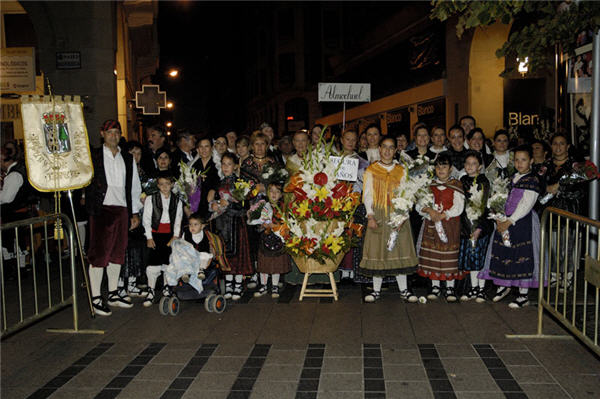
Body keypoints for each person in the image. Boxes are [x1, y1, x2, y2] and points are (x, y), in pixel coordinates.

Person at [85, 120, 142, 316]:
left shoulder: (127, 158)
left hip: (122, 209)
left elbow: (134, 187)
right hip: (101, 209)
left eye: (117, 132)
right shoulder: (93, 155)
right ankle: (95, 298)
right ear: (102, 134)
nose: (114, 136)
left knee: (118, 253)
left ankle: (112, 293)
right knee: (99, 253)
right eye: (110, 132)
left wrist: (134, 212)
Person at [479, 145, 541, 308]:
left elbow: (526, 204)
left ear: (531, 161)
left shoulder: (532, 180)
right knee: (503, 251)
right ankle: (503, 285)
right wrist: (499, 216)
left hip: (521, 222)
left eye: (524, 160)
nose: (520, 163)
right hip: (504, 219)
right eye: (517, 160)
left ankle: (523, 294)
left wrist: (510, 220)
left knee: (521, 254)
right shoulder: (512, 177)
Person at [359, 136, 419, 303]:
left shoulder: (402, 170)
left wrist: (403, 215)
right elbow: (368, 194)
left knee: (400, 250)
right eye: (384, 147)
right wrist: (370, 215)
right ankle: (376, 291)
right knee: (378, 252)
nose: (387, 150)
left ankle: (404, 290)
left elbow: (408, 194)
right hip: (378, 213)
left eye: (391, 147)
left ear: (395, 150)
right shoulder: (371, 170)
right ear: (379, 149)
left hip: (398, 214)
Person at [416, 152, 465, 302]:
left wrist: (443, 215)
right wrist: (430, 212)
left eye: (444, 167)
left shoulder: (456, 185)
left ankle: (450, 287)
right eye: (438, 167)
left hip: (450, 226)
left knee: (448, 255)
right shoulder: (429, 185)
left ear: (450, 169)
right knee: (433, 256)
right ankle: (435, 286)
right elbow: (419, 205)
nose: (441, 170)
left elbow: (459, 207)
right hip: (431, 225)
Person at [542, 134, 586, 290]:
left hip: (569, 212)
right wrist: (546, 189)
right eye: (555, 143)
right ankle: (553, 276)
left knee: (568, 246)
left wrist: (559, 189)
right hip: (550, 212)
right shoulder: (545, 166)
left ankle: (567, 278)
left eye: (562, 144)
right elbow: (540, 186)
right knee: (552, 246)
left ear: (568, 146)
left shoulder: (576, 166)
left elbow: (580, 192)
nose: (558, 147)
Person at [210, 152, 253, 300]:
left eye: (229, 164)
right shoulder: (219, 183)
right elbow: (213, 200)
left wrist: (230, 204)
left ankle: (238, 284)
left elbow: (245, 207)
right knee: (225, 253)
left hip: (236, 223)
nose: (226, 167)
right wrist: (214, 205)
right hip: (222, 223)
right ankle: (228, 284)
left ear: (235, 166)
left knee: (238, 255)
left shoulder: (241, 184)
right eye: (223, 164)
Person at [142, 171, 183, 307]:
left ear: (172, 184)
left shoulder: (177, 200)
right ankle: (151, 290)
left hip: (169, 236)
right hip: (155, 234)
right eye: (161, 184)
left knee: (168, 263)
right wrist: (149, 237)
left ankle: (166, 287)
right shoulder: (151, 199)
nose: (164, 187)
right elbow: (146, 219)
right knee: (153, 264)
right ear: (157, 185)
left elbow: (178, 219)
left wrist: (175, 236)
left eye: (167, 184)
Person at [458, 151, 492, 302]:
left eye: (474, 164)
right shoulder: (462, 180)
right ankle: (472, 288)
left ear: (480, 166)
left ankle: (481, 289)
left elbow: (484, 206)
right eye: (467, 163)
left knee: (480, 257)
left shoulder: (484, 181)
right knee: (471, 258)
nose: (470, 166)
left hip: (480, 226)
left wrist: (479, 228)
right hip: (466, 226)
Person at [253, 183, 291, 298]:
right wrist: (261, 225)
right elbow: (257, 223)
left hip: (278, 239)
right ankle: (263, 285)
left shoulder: (283, 207)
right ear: (267, 193)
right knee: (264, 264)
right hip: (265, 238)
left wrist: (275, 225)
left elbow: (287, 223)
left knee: (276, 264)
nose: (274, 194)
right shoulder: (263, 206)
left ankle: (274, 286)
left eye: (277, 192)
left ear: (281, 195)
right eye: (271, 191)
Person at [191, 137, 220, 218]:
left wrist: (214, 189)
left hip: (213, 202)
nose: (204, 150)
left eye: (206, 146)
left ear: (212, 148)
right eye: (201, 147)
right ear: (197, 149)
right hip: (197, 203)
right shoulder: (194, 166)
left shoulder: (218, 164)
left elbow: (222, 181)